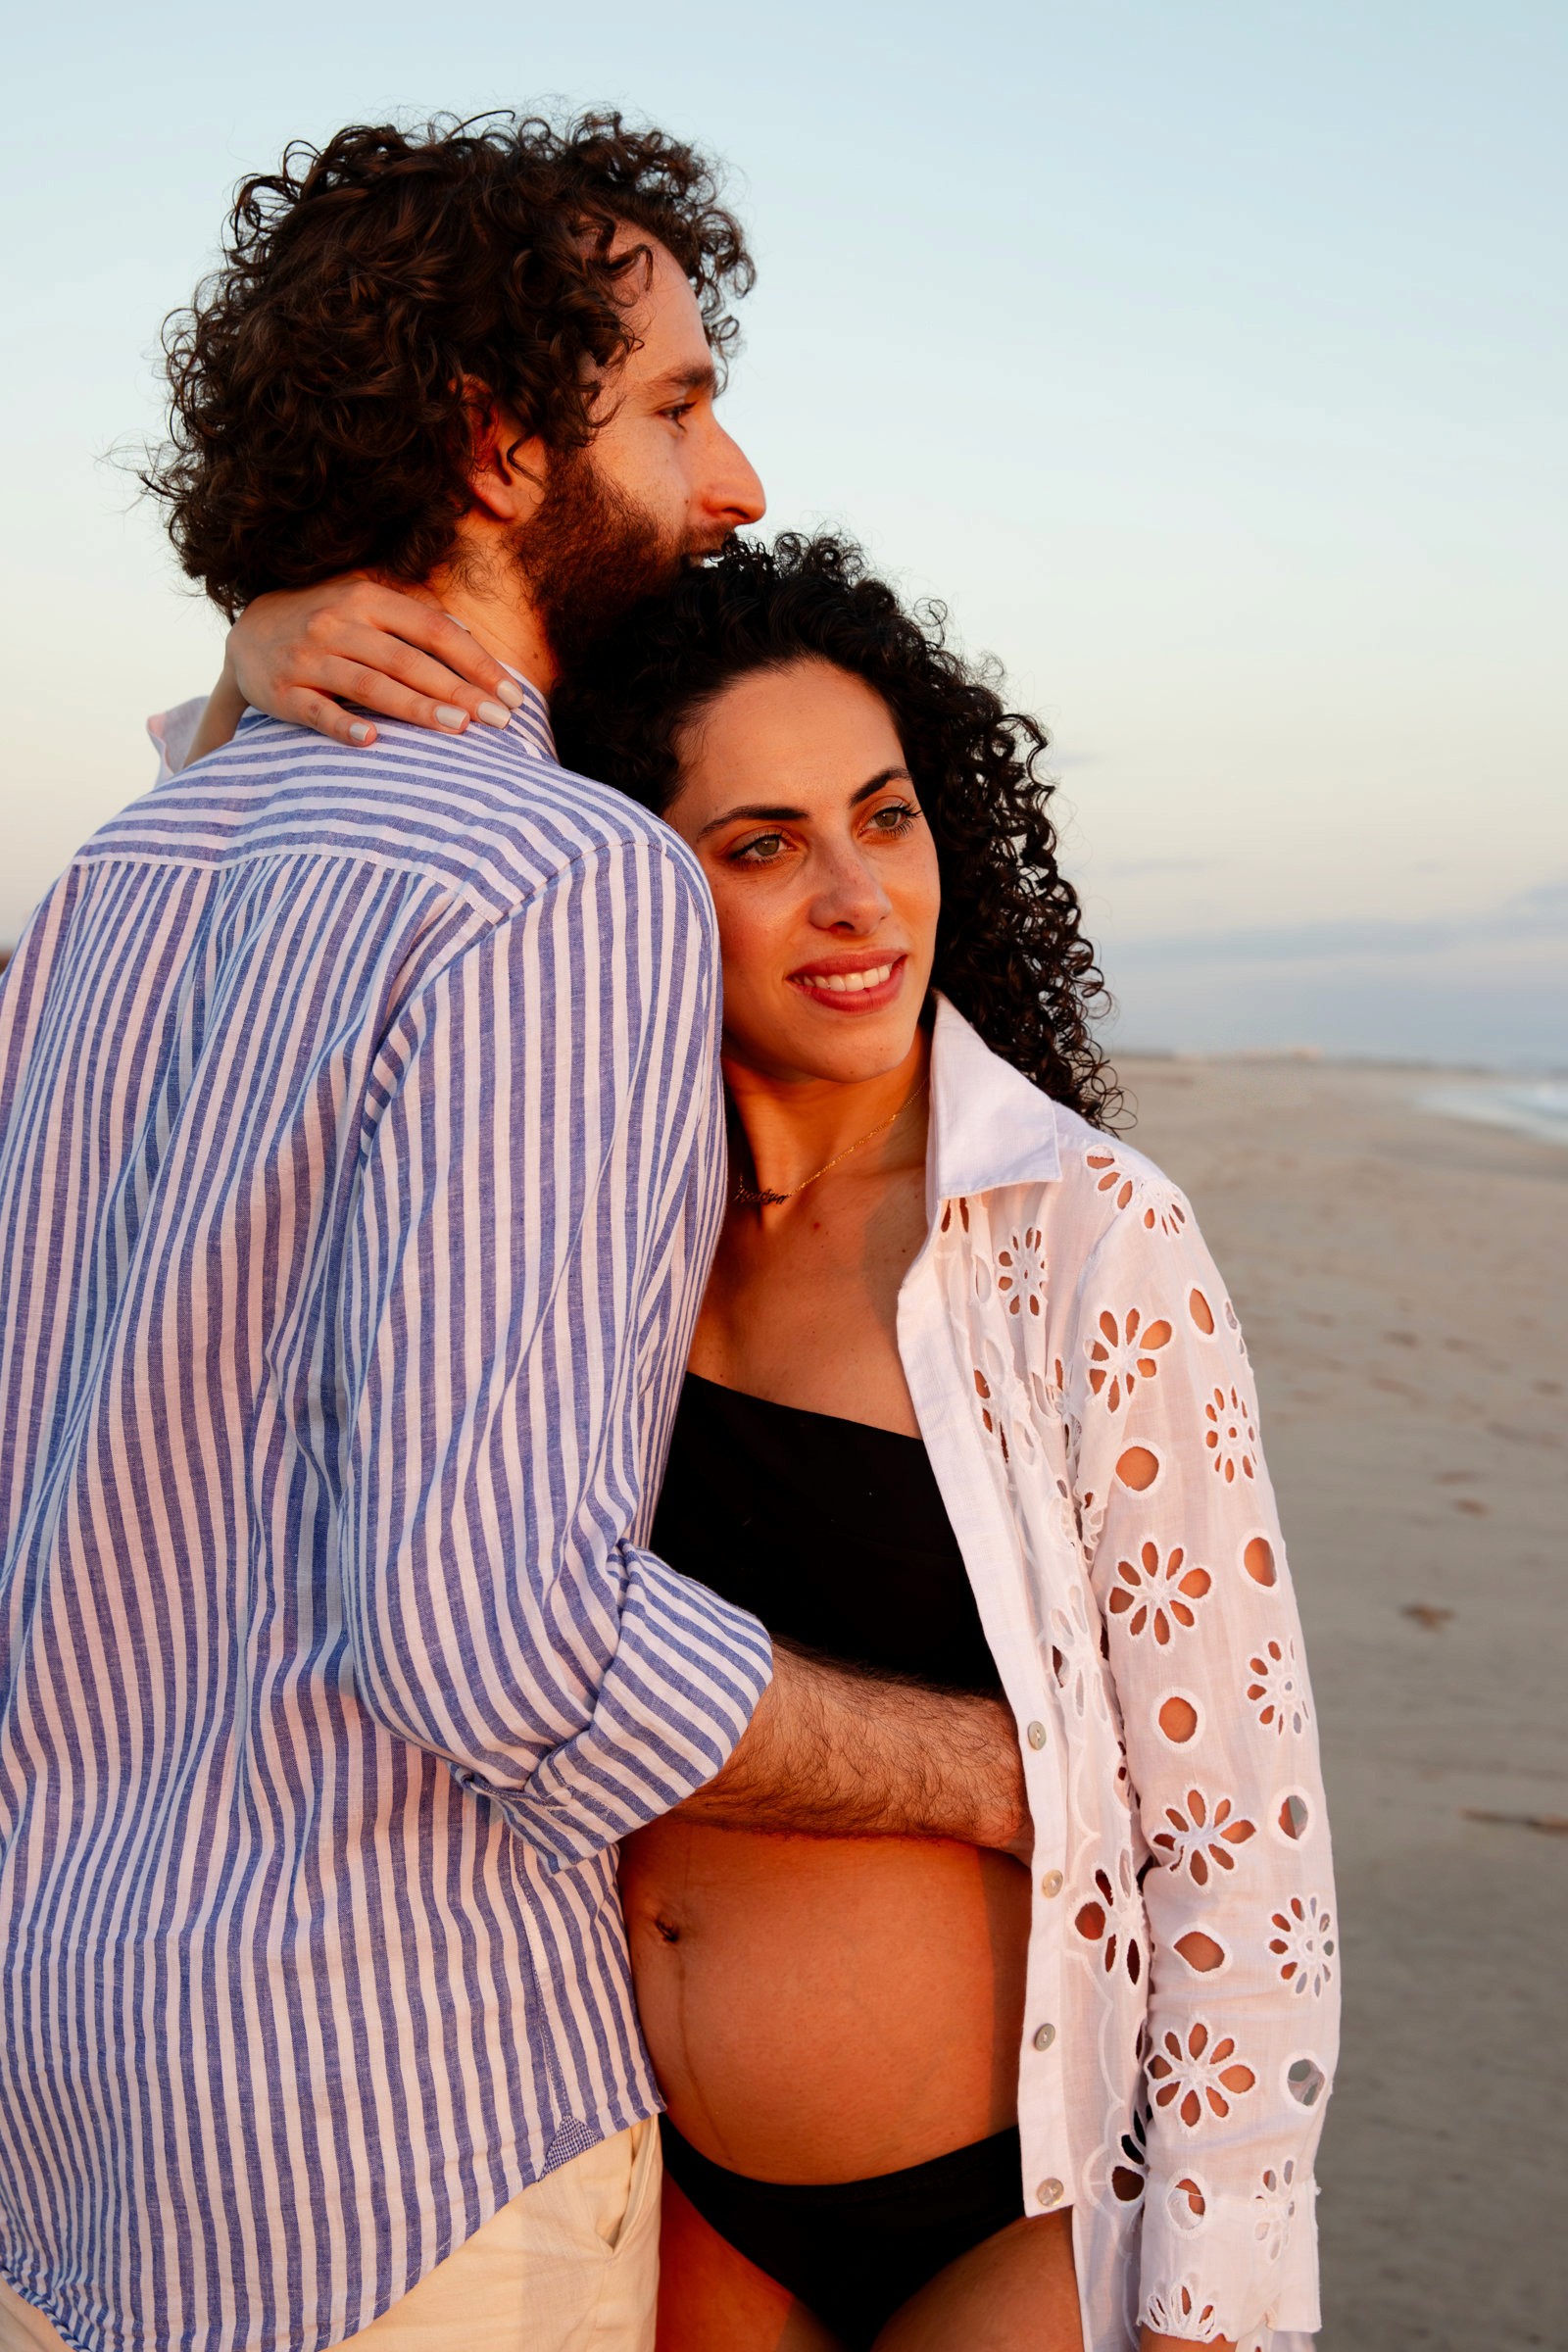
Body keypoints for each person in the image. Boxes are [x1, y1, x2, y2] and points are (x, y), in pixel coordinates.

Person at [0, 119, 1035, 2352]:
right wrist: (1002, 1764)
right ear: (491, 444)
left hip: (58, 2090)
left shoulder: (106, 884)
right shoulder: (568, 888)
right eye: (670, 404)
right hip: (389, 2131)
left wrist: (243, 656)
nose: (732, 476)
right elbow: (497, 1637)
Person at [166, 534, 1338, 2352]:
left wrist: (1215, 2289)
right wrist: (254, 673)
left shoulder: (1078, 1240)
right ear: (634, 884)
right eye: (762, 846)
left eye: (885, 817)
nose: (859, 897)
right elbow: (264, 991)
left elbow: (1236, 1818)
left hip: (1002, 2200)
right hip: (661, 2183)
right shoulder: (583, 1222)